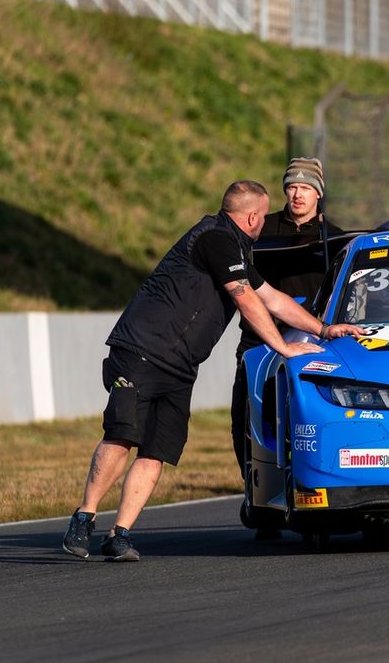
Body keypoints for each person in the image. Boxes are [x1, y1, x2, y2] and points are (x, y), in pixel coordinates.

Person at [62, 181, 363, 562]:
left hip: (180, 365)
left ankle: (120, 534)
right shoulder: (215, 238)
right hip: (142, 352)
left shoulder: (237, 248)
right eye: (263, 216)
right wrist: (284, 346)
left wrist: (322, 329)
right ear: (253, 216)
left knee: (157, 450)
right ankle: (83, 518)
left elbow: (271, 297)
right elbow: (246, 298)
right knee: (123, 435)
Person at [231, 157, 343, 479]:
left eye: (306, 187)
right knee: (247, 417)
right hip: (259, 336)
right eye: (292, 186)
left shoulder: (334, 238)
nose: (298, 194)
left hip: (313, 339)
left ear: (318, 193)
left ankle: (314, 479)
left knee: (308, 414)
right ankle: (256, 488)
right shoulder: (259, 230)